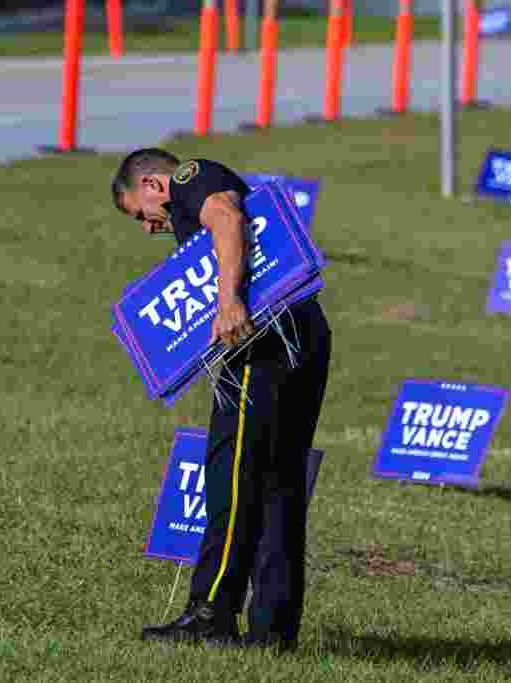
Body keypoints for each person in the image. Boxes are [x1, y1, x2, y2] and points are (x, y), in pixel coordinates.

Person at [111, 148, 332, 652]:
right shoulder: (196, 196)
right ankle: (271, 632)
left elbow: (227, 218)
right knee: (280, 485)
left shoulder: (191, 181)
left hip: (260, 342)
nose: (147, 228)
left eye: (139, 214)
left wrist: (228, 299)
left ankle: (210, 613)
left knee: (232, 477)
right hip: (302, 332)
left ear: (151, 184)